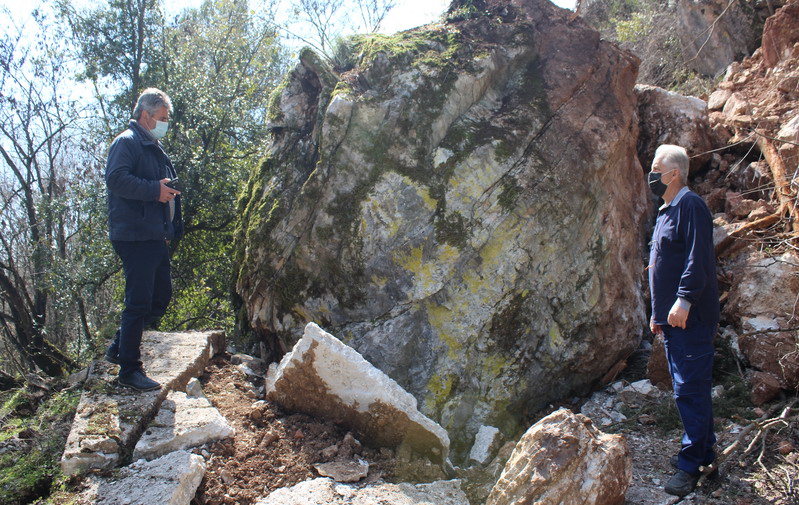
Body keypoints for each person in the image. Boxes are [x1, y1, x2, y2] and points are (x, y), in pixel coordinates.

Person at [647, 144, 719, 497]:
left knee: (690, 391)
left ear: (674, 173)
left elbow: (698, 258)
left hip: (692, 317)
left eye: (657, 168)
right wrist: (657, 314)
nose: (652, 175)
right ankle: (706, 458)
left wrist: (685, 301)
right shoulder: (666, 211)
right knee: (688, 390)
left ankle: (690, 466)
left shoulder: (690, 205)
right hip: (674, 319)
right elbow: (661, 267)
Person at [103, 88, 183, 392]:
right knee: (138, 302)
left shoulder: (151, 145)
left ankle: (119, 347)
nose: (164, 123)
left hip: (152, 235)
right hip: (135, 236)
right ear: (145, 115)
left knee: (159, 297)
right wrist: (154, 190)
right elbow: (115, 179)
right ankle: (129, 370)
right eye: (161, 118)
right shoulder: (127, 142)